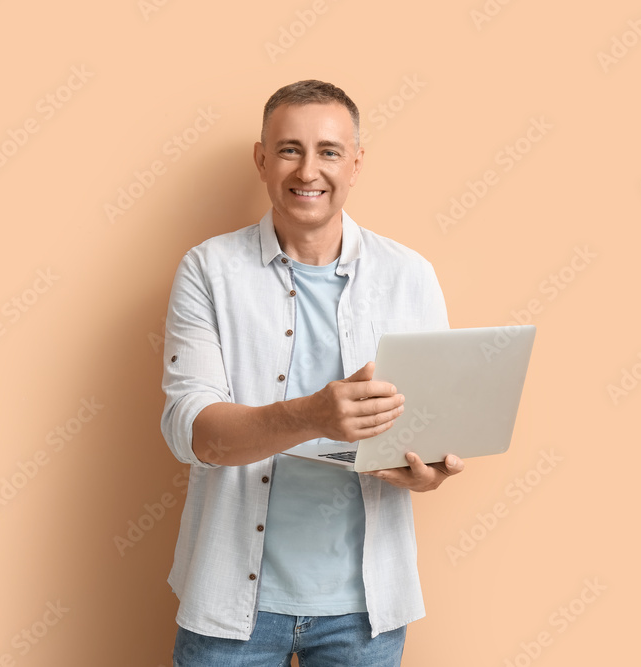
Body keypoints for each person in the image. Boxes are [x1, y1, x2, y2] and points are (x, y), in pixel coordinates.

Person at [160, 79, 465, 666]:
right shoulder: (207, 271)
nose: (308, 170)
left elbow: (429, 427)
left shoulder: (410, 276)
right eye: (288, 149)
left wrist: (428, 473)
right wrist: (312, 414)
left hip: (366, 611)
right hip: (230, 605)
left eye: (328, 151)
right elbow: (191, 432)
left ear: (355, 163)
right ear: (261, 159)